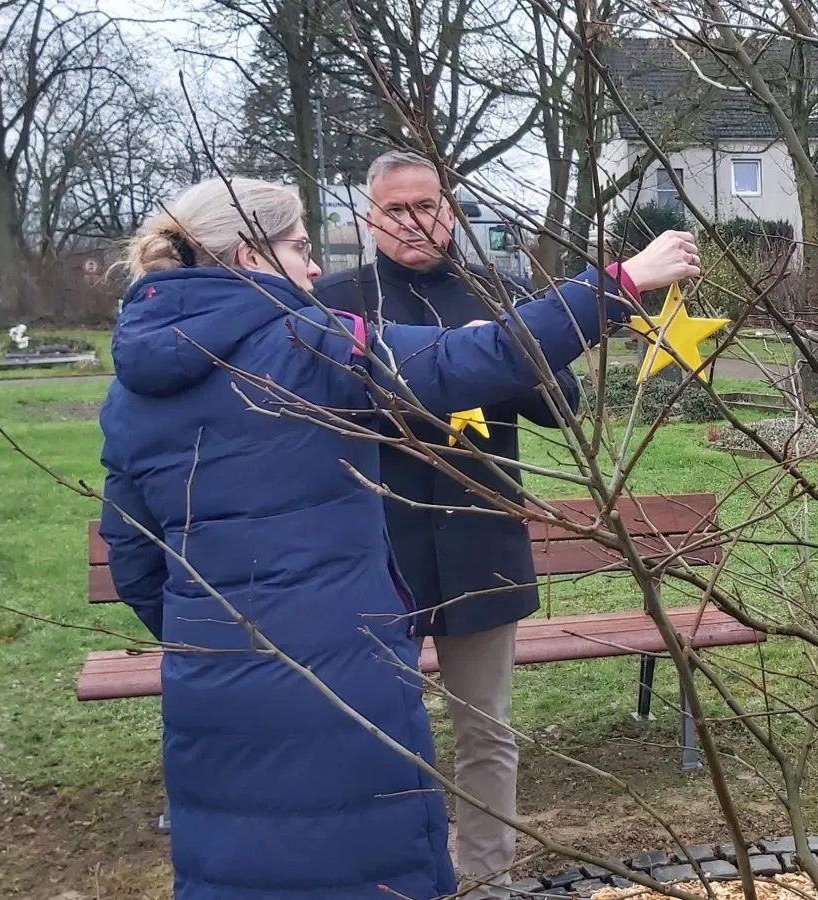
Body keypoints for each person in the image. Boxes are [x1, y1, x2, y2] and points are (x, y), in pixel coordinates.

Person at [98, 175, 699, 900]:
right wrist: (619, 281)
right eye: (297, 246)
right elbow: (468, 362)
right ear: (250, 255)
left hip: (209, 677)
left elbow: (132, 557)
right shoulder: (310, 344)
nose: (314, 266)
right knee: (367, 864)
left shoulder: (130, 389)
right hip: (342, 672)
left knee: (235, 868)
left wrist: (221, 637)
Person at [312, 151, 564, 896]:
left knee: (485, 730)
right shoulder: (333, 301)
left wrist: (495, 356)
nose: (414, 221)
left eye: (427, 205)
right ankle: (385, 878)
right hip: (371, 549)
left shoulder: (504, 293)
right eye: (396, 209)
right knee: (373, 732)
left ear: (450, 212)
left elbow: (562, 407)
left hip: (481, 540)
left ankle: (488, 881)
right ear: (370, 219)